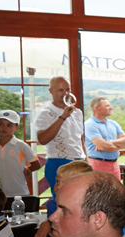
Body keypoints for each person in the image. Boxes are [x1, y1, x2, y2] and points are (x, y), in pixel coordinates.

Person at [34, 76, 86, 211]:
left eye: (68, 89)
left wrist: (87, 160)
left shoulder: (77, 112)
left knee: (82, 202)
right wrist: (62, 117)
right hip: (58, 161)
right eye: (60, 90)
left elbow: (80, 139)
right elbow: (42, 139)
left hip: (79, 162)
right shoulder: (45, 114)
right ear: (51, 91)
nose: (65, 93)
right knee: (62, 202)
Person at [0, 109, 40, 197]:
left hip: (19, 191)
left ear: (16, 128)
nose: (4, 128)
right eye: (1, 124)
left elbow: (36, 164)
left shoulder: (21, 146)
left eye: (9, 125)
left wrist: (25, 170)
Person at [83, 96, 125, 176]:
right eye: (107, 106)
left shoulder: (113, 123)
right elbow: (103, 146)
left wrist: (110, 142)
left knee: (117, 185)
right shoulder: (89, 124)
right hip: (98, 165)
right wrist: (120, 145)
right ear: (97, 108)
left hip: (115, 165)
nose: (111, 107)